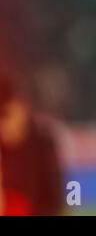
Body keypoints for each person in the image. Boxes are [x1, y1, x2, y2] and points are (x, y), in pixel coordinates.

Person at [0, 73, 63, 215]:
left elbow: (53, 199)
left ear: (21, 107)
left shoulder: (43, 143)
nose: (2, 126)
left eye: (5, 116)